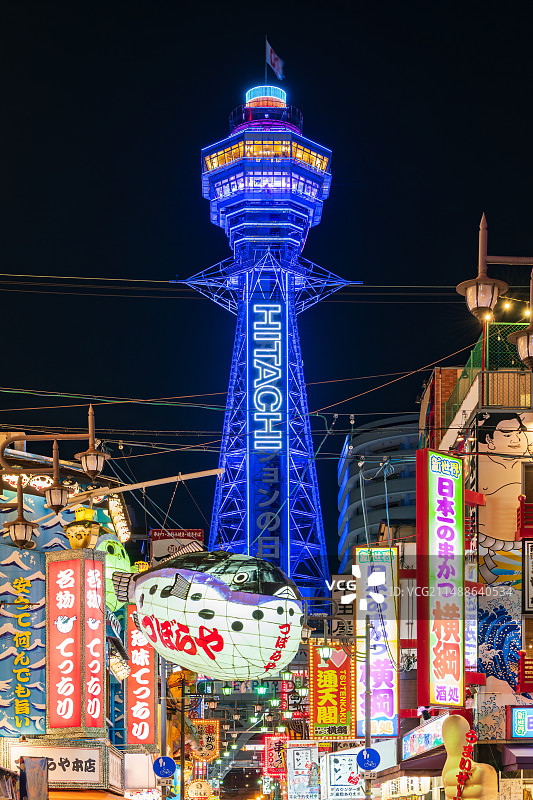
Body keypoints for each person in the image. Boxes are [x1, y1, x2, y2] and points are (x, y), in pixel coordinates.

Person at [477, 411, 532, 584]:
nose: (516, 439)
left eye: (519, 432)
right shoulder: (480, 461)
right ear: (489, 439)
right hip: (488, 544)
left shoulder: (527, 461)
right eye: (507, 434)